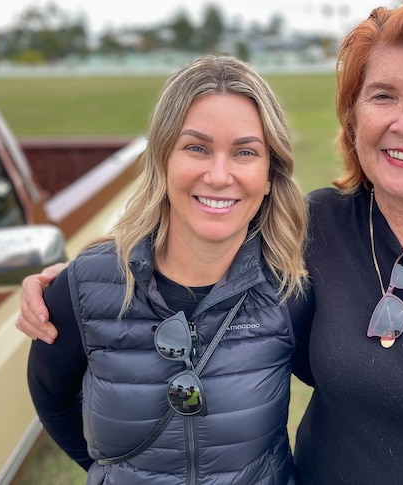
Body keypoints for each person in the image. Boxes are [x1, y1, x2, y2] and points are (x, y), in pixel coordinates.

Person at [17, 3, 403, 483]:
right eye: (382, 95)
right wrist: (71, 282)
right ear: (353, 118)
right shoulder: (311, 227)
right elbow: (198, 229)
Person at [25, 54, 308, 484]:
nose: (219, 175)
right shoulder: (83, 287)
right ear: (163, 158)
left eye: (245, 152)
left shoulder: (290, 290)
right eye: (197, 147)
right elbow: (53, 401)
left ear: (269, 174)